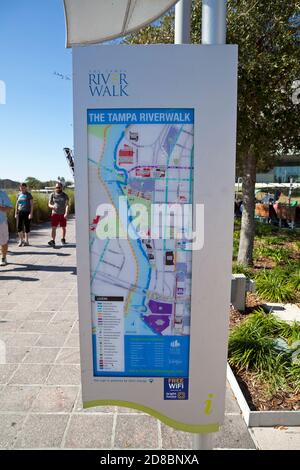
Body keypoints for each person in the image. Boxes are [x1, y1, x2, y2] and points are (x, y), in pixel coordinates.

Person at [48, 182, 69, 247]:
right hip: (55, 213)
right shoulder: (52, 194)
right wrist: (52, 206)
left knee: (63, 227)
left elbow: (67, 205)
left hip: (62, 214)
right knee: (54, 227)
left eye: (59, 187)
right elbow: (49, 204)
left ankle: (63, 239)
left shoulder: (65, 195)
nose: (57, 188)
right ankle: (53, 241)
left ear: (61, 188)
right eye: (56, 187)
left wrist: (66, 213)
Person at [0, 189, 13, 266]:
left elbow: (10, 207)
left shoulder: (2, 194)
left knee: (3, 241)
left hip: (1, 222)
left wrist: (0, 207)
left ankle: (3, 258)